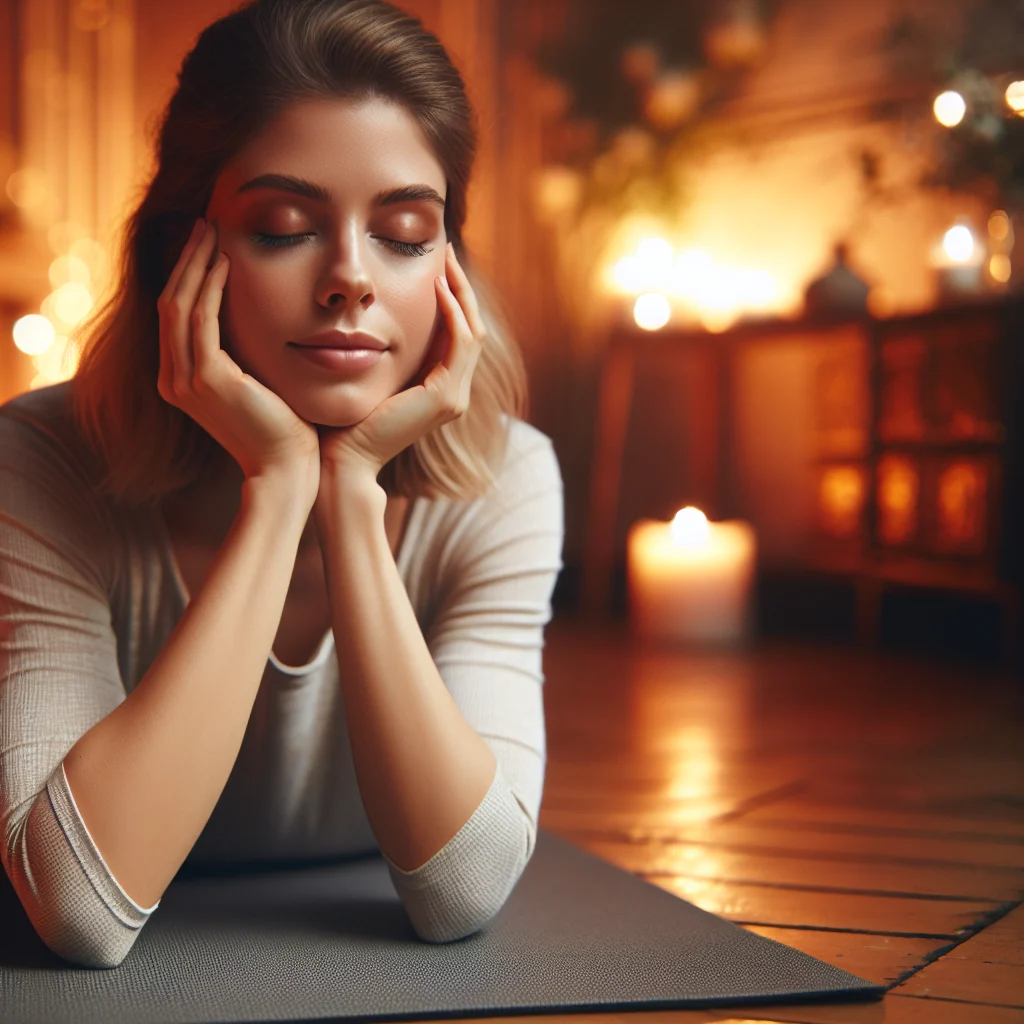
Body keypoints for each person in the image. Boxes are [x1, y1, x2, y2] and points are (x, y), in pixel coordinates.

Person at [0, 0, 564, 969]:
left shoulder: (509, 479)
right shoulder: (41, 461)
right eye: (285, 226)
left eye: (402, 231)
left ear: (451, 270)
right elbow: (82, 909)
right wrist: (278, 487)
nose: (350, 276)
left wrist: (348, 494)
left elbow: (463, 890)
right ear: (186, 250)